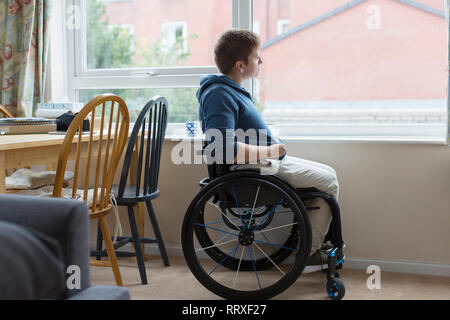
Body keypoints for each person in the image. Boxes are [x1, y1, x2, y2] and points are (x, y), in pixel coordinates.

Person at [196, 29, 339, 272]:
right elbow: (222, 148)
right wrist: (272, 149)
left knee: (327, 172)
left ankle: (310, 244)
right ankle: (309, 255)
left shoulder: (230, 90)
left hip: (264, 164)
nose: (261, 61)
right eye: (256, 57)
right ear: (240, 65)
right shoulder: (219, 94)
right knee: (329, 181)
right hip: (254, 169)